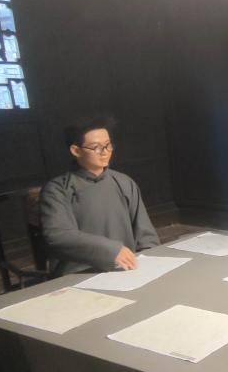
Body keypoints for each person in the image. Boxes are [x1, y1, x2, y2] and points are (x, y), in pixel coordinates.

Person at [40, 117, 159, 276]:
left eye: (108, 145)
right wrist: (112, 251)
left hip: (125, 269)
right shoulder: (58, 189)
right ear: (76, 151)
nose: (105, 152)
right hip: (80, 274)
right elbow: (59, 235)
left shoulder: (124, 182)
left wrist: (151, 260)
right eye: (96, 147)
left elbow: (145, 234)